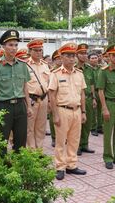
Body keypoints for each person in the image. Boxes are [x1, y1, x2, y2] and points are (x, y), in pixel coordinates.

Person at [0, 30, 32, 152]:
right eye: (10, 45)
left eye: (16, 45)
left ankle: (18, 165)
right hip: (4, 106)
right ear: (3, 46)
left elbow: (25, 86)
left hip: (20, 105)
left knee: (21, 139)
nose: (13, 48)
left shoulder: (22, 65)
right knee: (2, 140)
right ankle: (3, 166)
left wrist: (28, 106)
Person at [49, 42, 88, 180]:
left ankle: (72, 165)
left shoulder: (79, 74)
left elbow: (82, 94)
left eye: (73, 56)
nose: (72, 58)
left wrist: (83, 112)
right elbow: (52, 95)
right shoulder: (56, 74)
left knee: (74, 140)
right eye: (68, 56)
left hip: (76, 111)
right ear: (62, 57)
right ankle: (60, 166)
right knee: (61, 141)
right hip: (62, 110)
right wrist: (55, 114)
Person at [26, 39, 50, 149]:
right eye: (36, 50)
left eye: (40, 50)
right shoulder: (25, 65)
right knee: (30, 127)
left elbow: (48, 83)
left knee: (41, 126)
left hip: (44, 98)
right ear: (30, 51)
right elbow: (24, 85)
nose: (39, 52)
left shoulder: (45, 65)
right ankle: (31, 150)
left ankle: (39, 150)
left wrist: (49, 100)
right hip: (31, 99)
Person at [75, 43, 97, 155]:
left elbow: (92, 85)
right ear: (76, 54)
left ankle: (84, 144)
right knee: (77, 124)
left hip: (88, 98)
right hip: (76, 99)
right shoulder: (73, 68)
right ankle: (76, 145)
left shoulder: (89, 69)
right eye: (81, 53)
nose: (84, 55)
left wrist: (93, 98)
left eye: (85, 53)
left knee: (87, 123)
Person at [49, 50, 62, 147]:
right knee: (53, 118)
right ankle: (54, 138)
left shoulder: (65, 71)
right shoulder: (51, 72)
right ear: (54, 60)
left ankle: (61, 137)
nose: (59, 61)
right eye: (57, 59)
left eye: (60, 58)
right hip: (53, 99)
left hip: (62, 99)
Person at [89, 52, 103, 136]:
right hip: (91, 92)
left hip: (100, 91)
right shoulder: (88, 69)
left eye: (96, 58)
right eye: (92, 58)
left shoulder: (101, 69)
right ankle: (93, 128)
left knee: (100, 110)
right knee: (93, 111)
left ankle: (100, 127)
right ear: (89, 59)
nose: (94, 59)